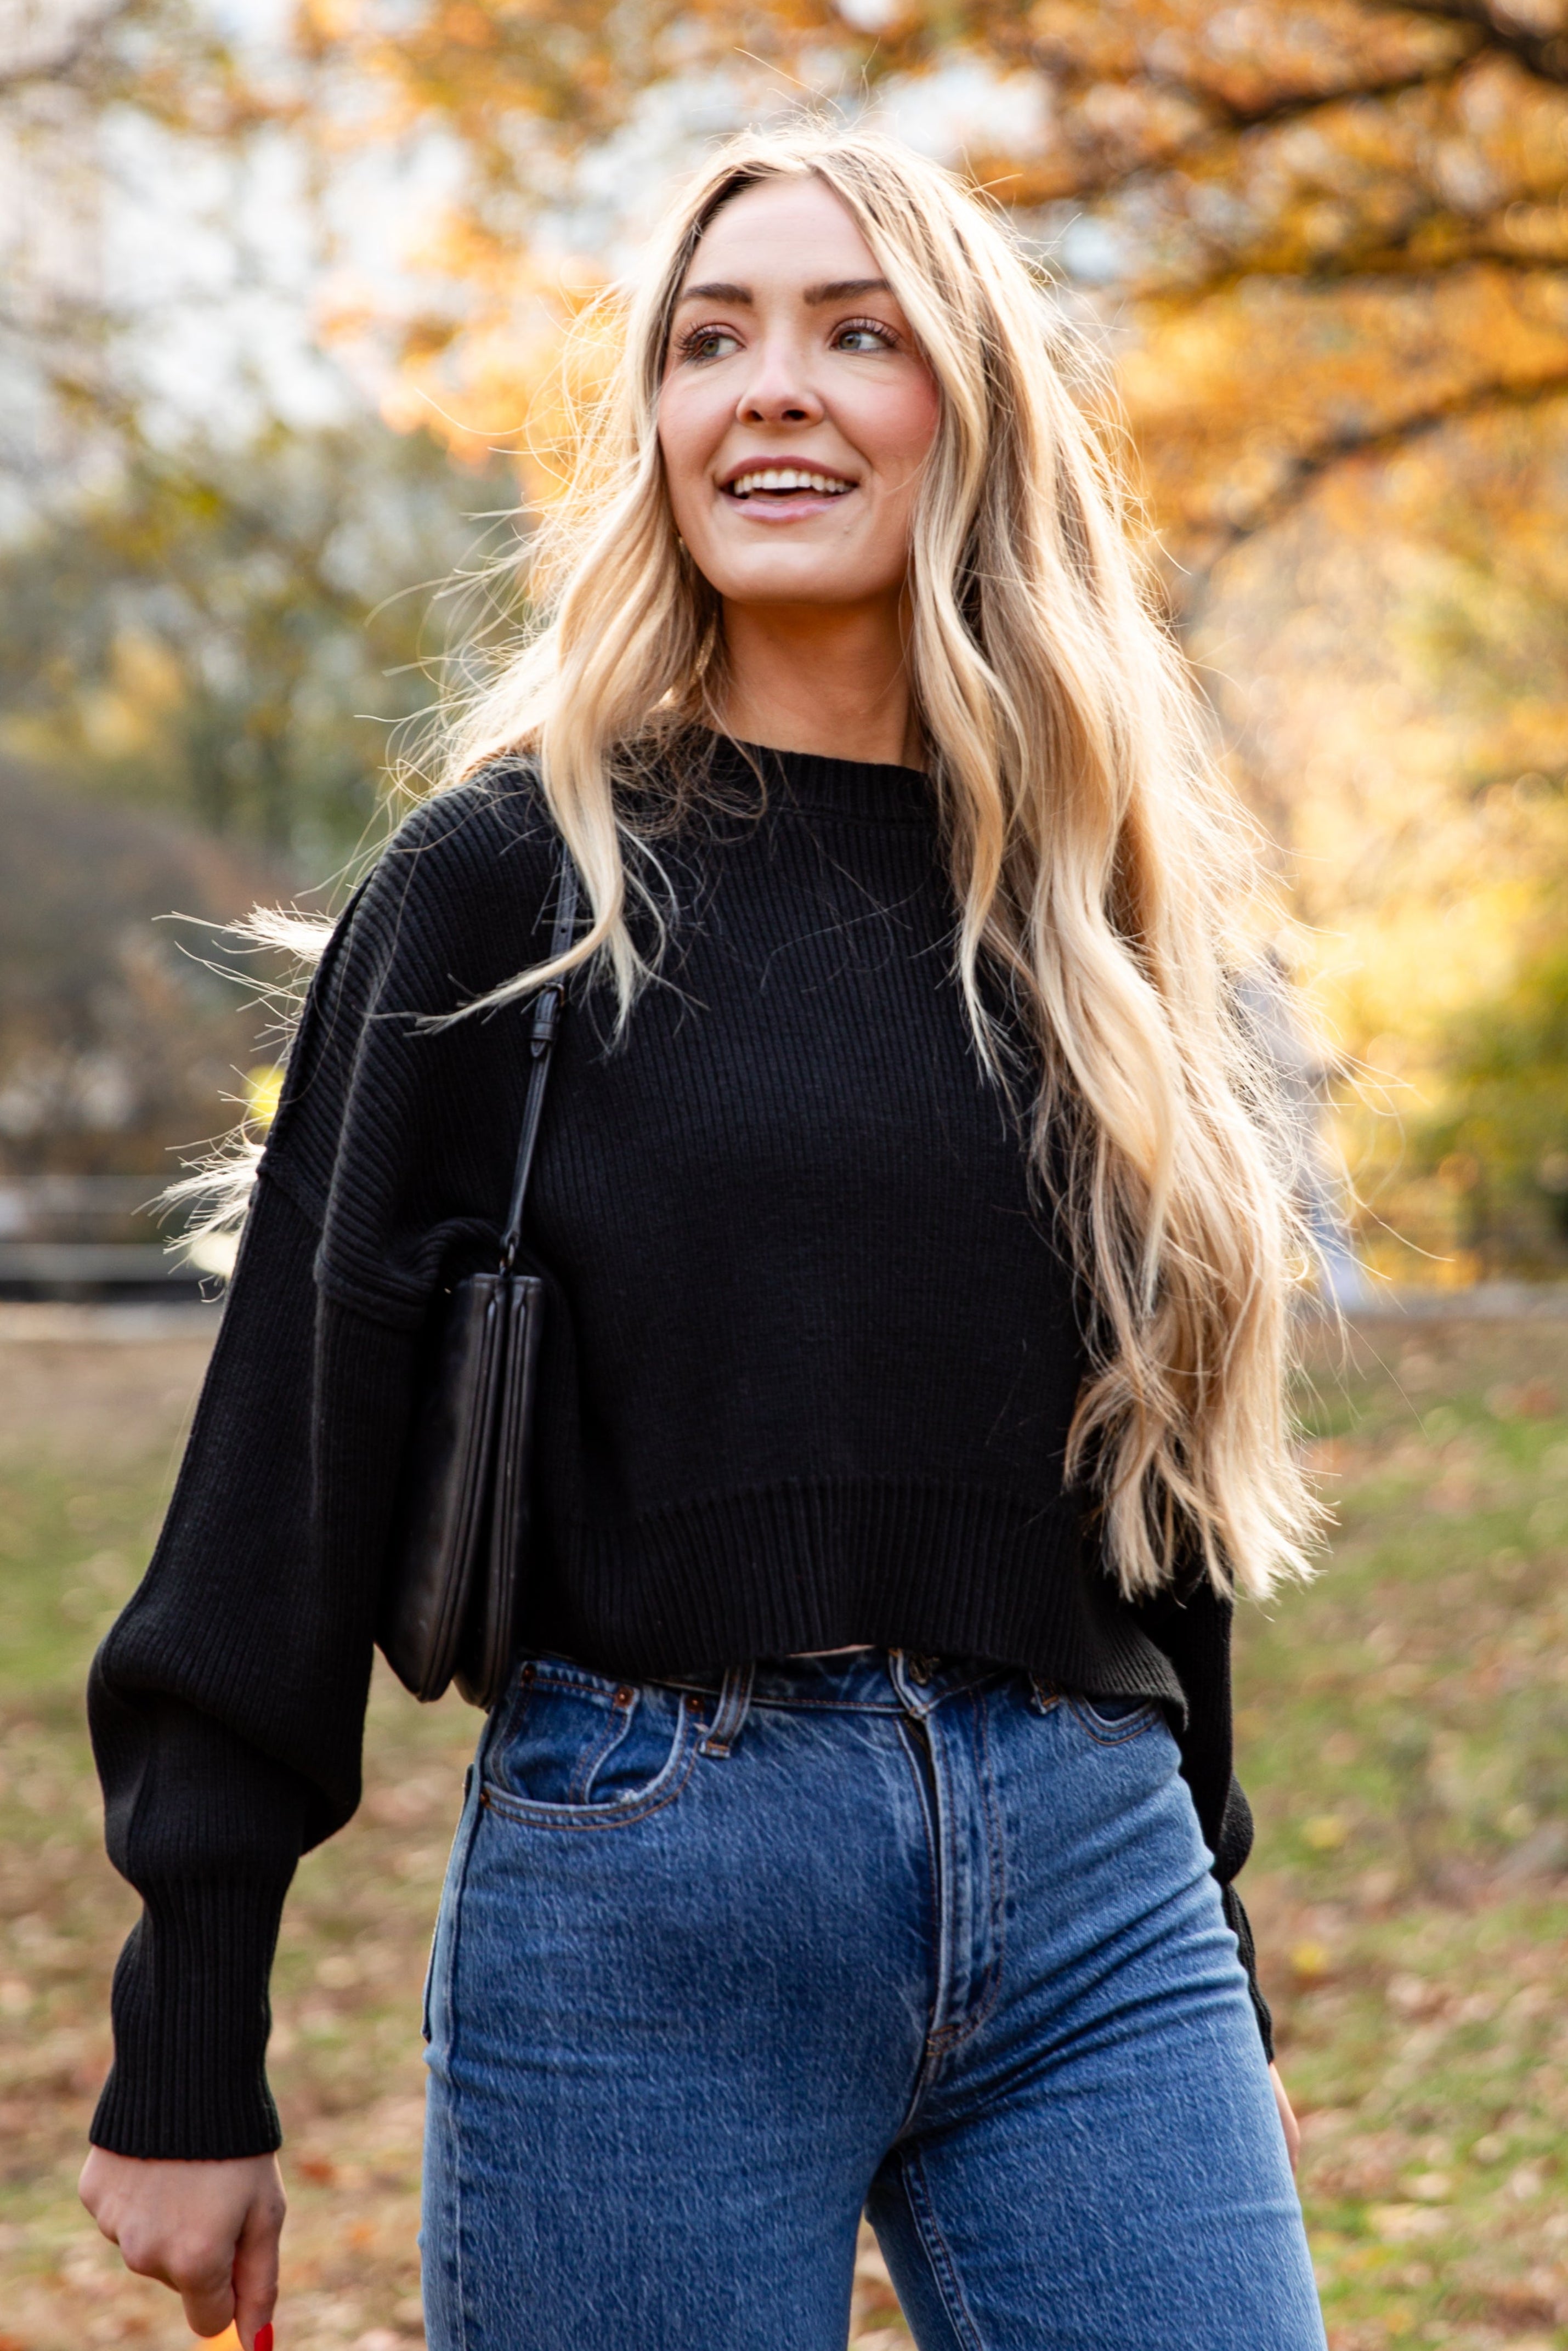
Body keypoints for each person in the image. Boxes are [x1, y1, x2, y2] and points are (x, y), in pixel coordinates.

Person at [79, 126, 1327, 2351]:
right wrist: (195, 2039)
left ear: (972, 418)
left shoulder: (1091, 914)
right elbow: (285, 1467)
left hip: (1096, 1887)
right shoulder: (505, 893)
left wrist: (1211, 1946)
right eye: (710, 340)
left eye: (861, 335)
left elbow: (1149, 1484)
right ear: (652, 425)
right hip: (651, 1881)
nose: (773, 389)